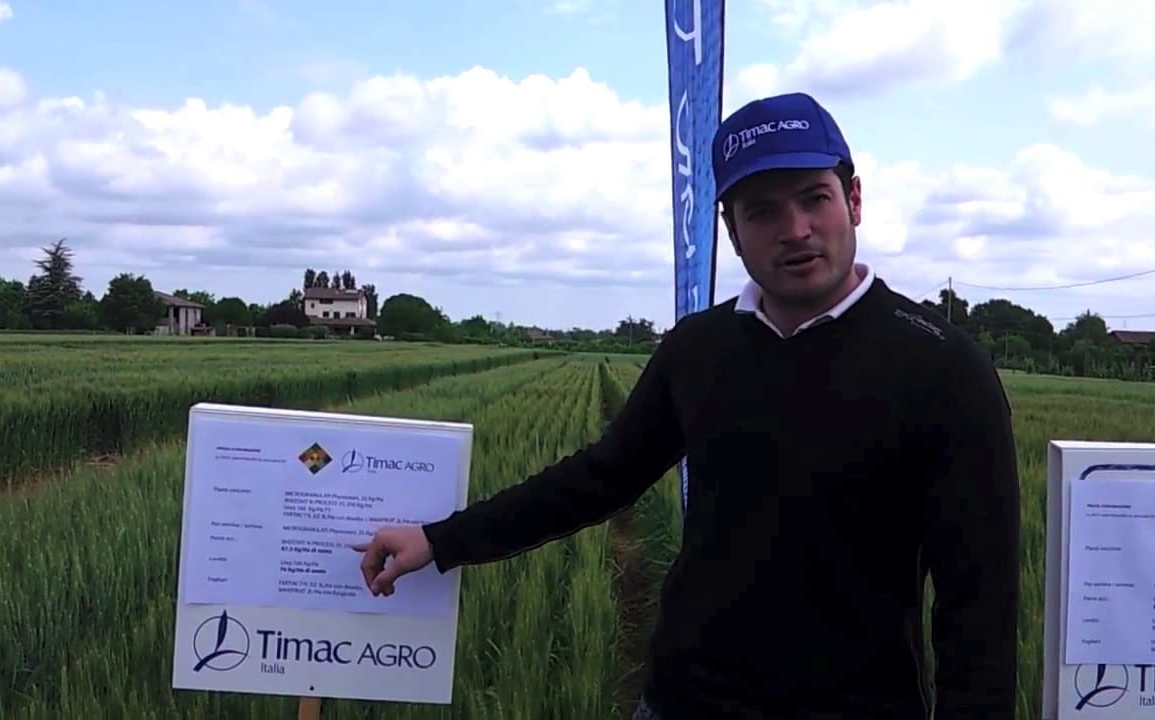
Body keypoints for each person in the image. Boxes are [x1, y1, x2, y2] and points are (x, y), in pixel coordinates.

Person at [353, 92, 1021, 719]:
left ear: (853, 200)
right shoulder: (699, 349)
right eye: (762, 211)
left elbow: (979, 603)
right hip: (684, 700)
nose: (795, 230)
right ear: (732, 231)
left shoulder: (943, 367)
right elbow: (597, 478)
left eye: (813, 198)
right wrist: (441, 540)